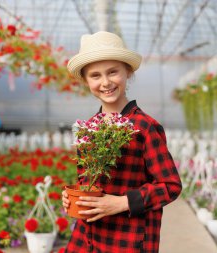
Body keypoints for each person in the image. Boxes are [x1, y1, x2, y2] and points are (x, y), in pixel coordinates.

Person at [61, 31, 182, 253]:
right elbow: (88, 181)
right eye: (95, 76)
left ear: (127, 72)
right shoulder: (89, 128)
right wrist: (72, 195)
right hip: (87, 236)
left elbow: (170, 186)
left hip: (127, 240)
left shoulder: (144, 127)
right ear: (87, 81)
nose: (105, 82)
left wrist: (121, 203)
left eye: (112, 72)